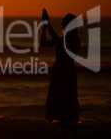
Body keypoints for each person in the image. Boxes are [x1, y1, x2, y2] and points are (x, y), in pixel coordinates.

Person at [40, 9, 81, 139]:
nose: (62, 23)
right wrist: (45, 27)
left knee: (68, 109)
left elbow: (59, 43)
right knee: (62, 112)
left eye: (64, 21)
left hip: (66, 76)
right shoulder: (64, 39)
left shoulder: (74, 40)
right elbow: (44, 43)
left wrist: (48, 24)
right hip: (59, 75)